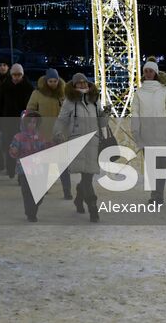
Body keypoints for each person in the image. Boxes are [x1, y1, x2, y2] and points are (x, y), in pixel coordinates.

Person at [129, 61, 166, 204]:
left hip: (163, 135)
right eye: (146, 71)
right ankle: (156, 194)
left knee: (160, 168)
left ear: (155, 73)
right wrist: (135, 131)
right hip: (146, 136)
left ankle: (157, 195)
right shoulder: (139, 93)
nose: (148, 73)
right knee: (151, 168)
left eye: (150, 71)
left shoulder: (165, 91)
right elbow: (135, 113)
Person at [53, 72, 105, 223]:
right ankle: (93, 208)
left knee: (87, 176)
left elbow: (102, 123)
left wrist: (105, 114)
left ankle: (78, 198)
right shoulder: (70, 101)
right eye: (79, 83)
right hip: (78, 143)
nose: (82, 84)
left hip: (93, 143)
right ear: (74, 85)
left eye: (84, 82)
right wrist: (57, 133)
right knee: (87, 178)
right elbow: (61, 120)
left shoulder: (95, 100)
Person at [27, 68, 71, 200]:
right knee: (44, 165)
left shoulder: (64, 93)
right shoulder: (37, 94)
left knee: (63, 165)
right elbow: (30, 110)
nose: (53, 83)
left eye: (55, 81)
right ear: (46, 81)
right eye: (51, 81)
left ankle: (67, 191)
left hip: (60, 134)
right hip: (43, 133)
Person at [8, 109, 50, 221]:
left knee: (38, 194)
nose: (32, 125)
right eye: (29, 122)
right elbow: (12, 152)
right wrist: (14, 151)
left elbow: (45, 149)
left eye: (34, 122)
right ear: (24, 123)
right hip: (24, 170)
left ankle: (33, 208)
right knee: (27, 193)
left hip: (38, 170)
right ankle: (31, 213)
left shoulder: (40, 137)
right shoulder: (18, 137)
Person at [0, 64, 33, 177]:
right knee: (10, 146)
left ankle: (22, 174)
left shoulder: (28, 87)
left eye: (19, 75)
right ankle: (10, 170)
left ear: (22, 75)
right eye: (14, 75)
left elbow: (32, 105)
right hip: (8, 121)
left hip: (23, 122)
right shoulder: (5, 86)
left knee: (24, 147)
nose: (16, 77)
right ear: (11, 75)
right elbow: (0, 104)